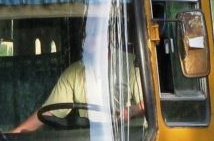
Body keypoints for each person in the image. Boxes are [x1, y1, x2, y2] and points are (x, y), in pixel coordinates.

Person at [10, 41, 144, 133]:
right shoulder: (75, 72)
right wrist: (14, 134)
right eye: (86, 35)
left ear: (107, 36)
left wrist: (130, 112)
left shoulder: (133, 65)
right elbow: (49, 111)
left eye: (94, 32)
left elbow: (148, 104)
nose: (87, 40)